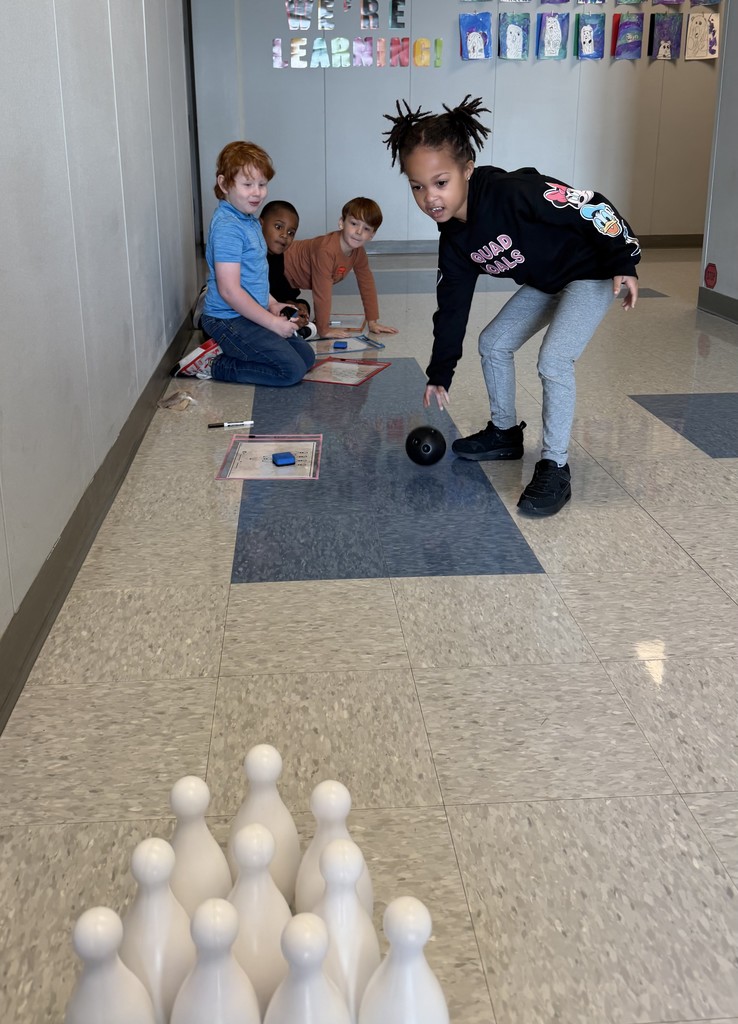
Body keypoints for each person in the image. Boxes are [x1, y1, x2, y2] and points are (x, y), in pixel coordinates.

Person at [383, 96, 641, 516]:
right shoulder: (455, 239)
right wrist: (440, 371)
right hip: (548, 281)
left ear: (467, 169)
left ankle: (555, 465)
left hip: (592, 271)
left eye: (440, 182)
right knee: (494, 342)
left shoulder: (512, 192)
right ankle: (504, 434)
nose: (429, 197)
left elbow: (590, 204)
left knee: (554, 360)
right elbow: (451, 307)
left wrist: (623, 259)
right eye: (417, 185)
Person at [174, 141, 315, 385]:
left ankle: (235, 350)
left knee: (306, 357)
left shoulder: (249, 220)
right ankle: (214, 364)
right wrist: (271, 323)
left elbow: (254, 276)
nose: (257, 192)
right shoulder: (228, 228)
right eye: (247, 184)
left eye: (262, 184)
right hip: (227, 319)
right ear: (224, 184)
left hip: (250, 314)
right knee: (290, 371)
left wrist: (272, 304)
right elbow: (229, 291)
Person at [283, 198, 399, 340]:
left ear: (372, 235)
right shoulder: (326, 250)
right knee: (285, 312)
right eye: (354, 223)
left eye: (366, 228)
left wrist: (373, 322)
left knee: (301, 309)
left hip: (291, 284)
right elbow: (322, 293)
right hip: (278, 269)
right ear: (341, 222)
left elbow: (366, 284)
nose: (359, 232)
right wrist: (324, 329)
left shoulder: (358, 253)